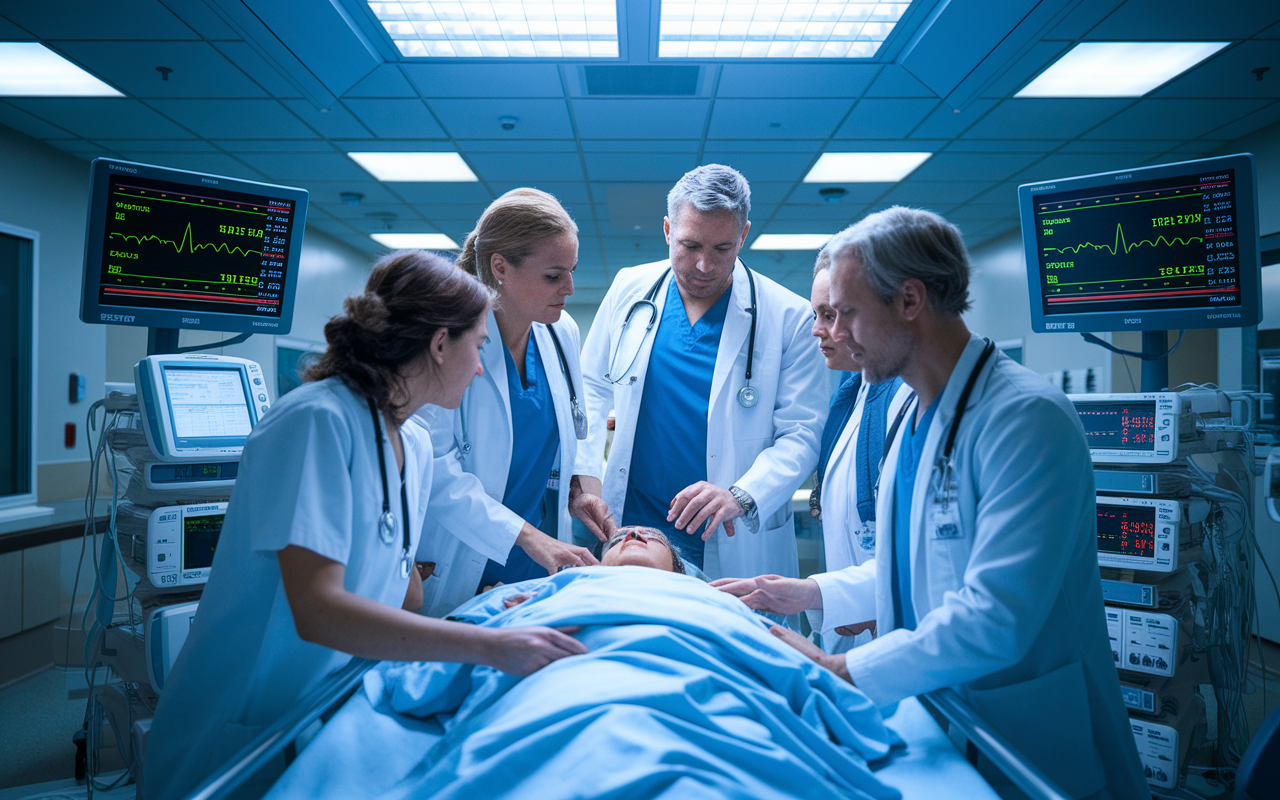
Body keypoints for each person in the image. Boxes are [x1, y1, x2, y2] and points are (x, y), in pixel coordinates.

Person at [725, 207, 1147, 799]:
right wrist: (809, 593)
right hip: (942, 711)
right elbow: (913, 576)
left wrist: (847, 671)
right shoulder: (921, 423)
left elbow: (997, 616)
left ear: (909, 301)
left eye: (845, 313)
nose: (834, 333)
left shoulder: (1025, 419)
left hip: (1026, 724)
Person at [144, 251, 587, 800]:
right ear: (439, 343)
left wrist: (498, 611)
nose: (479, 368)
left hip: (323, 708)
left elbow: (406, 598)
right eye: (477, 347)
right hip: (241, 724)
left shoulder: (414, 444)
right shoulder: (316, 422)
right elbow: (319, 610)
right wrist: (488, 647)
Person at [576, 164, 827, 581]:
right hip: (635, 528)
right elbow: (591, 388)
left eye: (723, 248)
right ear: (667, 229)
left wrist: (742, 496)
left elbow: (803, 432)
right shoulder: (629, 287)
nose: (705, 265)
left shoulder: (789, 316)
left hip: (732, 531)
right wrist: (587, 481)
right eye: (690, 245)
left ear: (744, 234)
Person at [411, 189, 608, 617]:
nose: (570, 289)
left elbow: (573, 430)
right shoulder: (449, 340)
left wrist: (578, 489)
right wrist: (529, 538)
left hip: (538, 558)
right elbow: (437, 472)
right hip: (465, 552)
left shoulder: (561, 332)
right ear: (500, 266)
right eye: (554, 276)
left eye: (572, 272)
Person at [714, 249, 910, 653]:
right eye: (816, 314)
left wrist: (822, 596)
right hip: (860, 633)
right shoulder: (853, 395)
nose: (816, 330)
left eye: (831, 314)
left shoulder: (911, 403)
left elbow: (922, 560)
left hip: (902, 637)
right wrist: (822, 598)